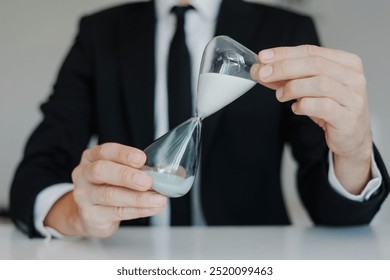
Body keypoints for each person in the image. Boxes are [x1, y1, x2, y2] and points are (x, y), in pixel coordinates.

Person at [9, 0, 390, 239]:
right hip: (127, 257)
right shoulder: (100, 33)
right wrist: (75, 212)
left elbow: (333, 211)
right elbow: (35, 172)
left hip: (251, 261)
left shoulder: (285, 30)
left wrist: (354, 149)